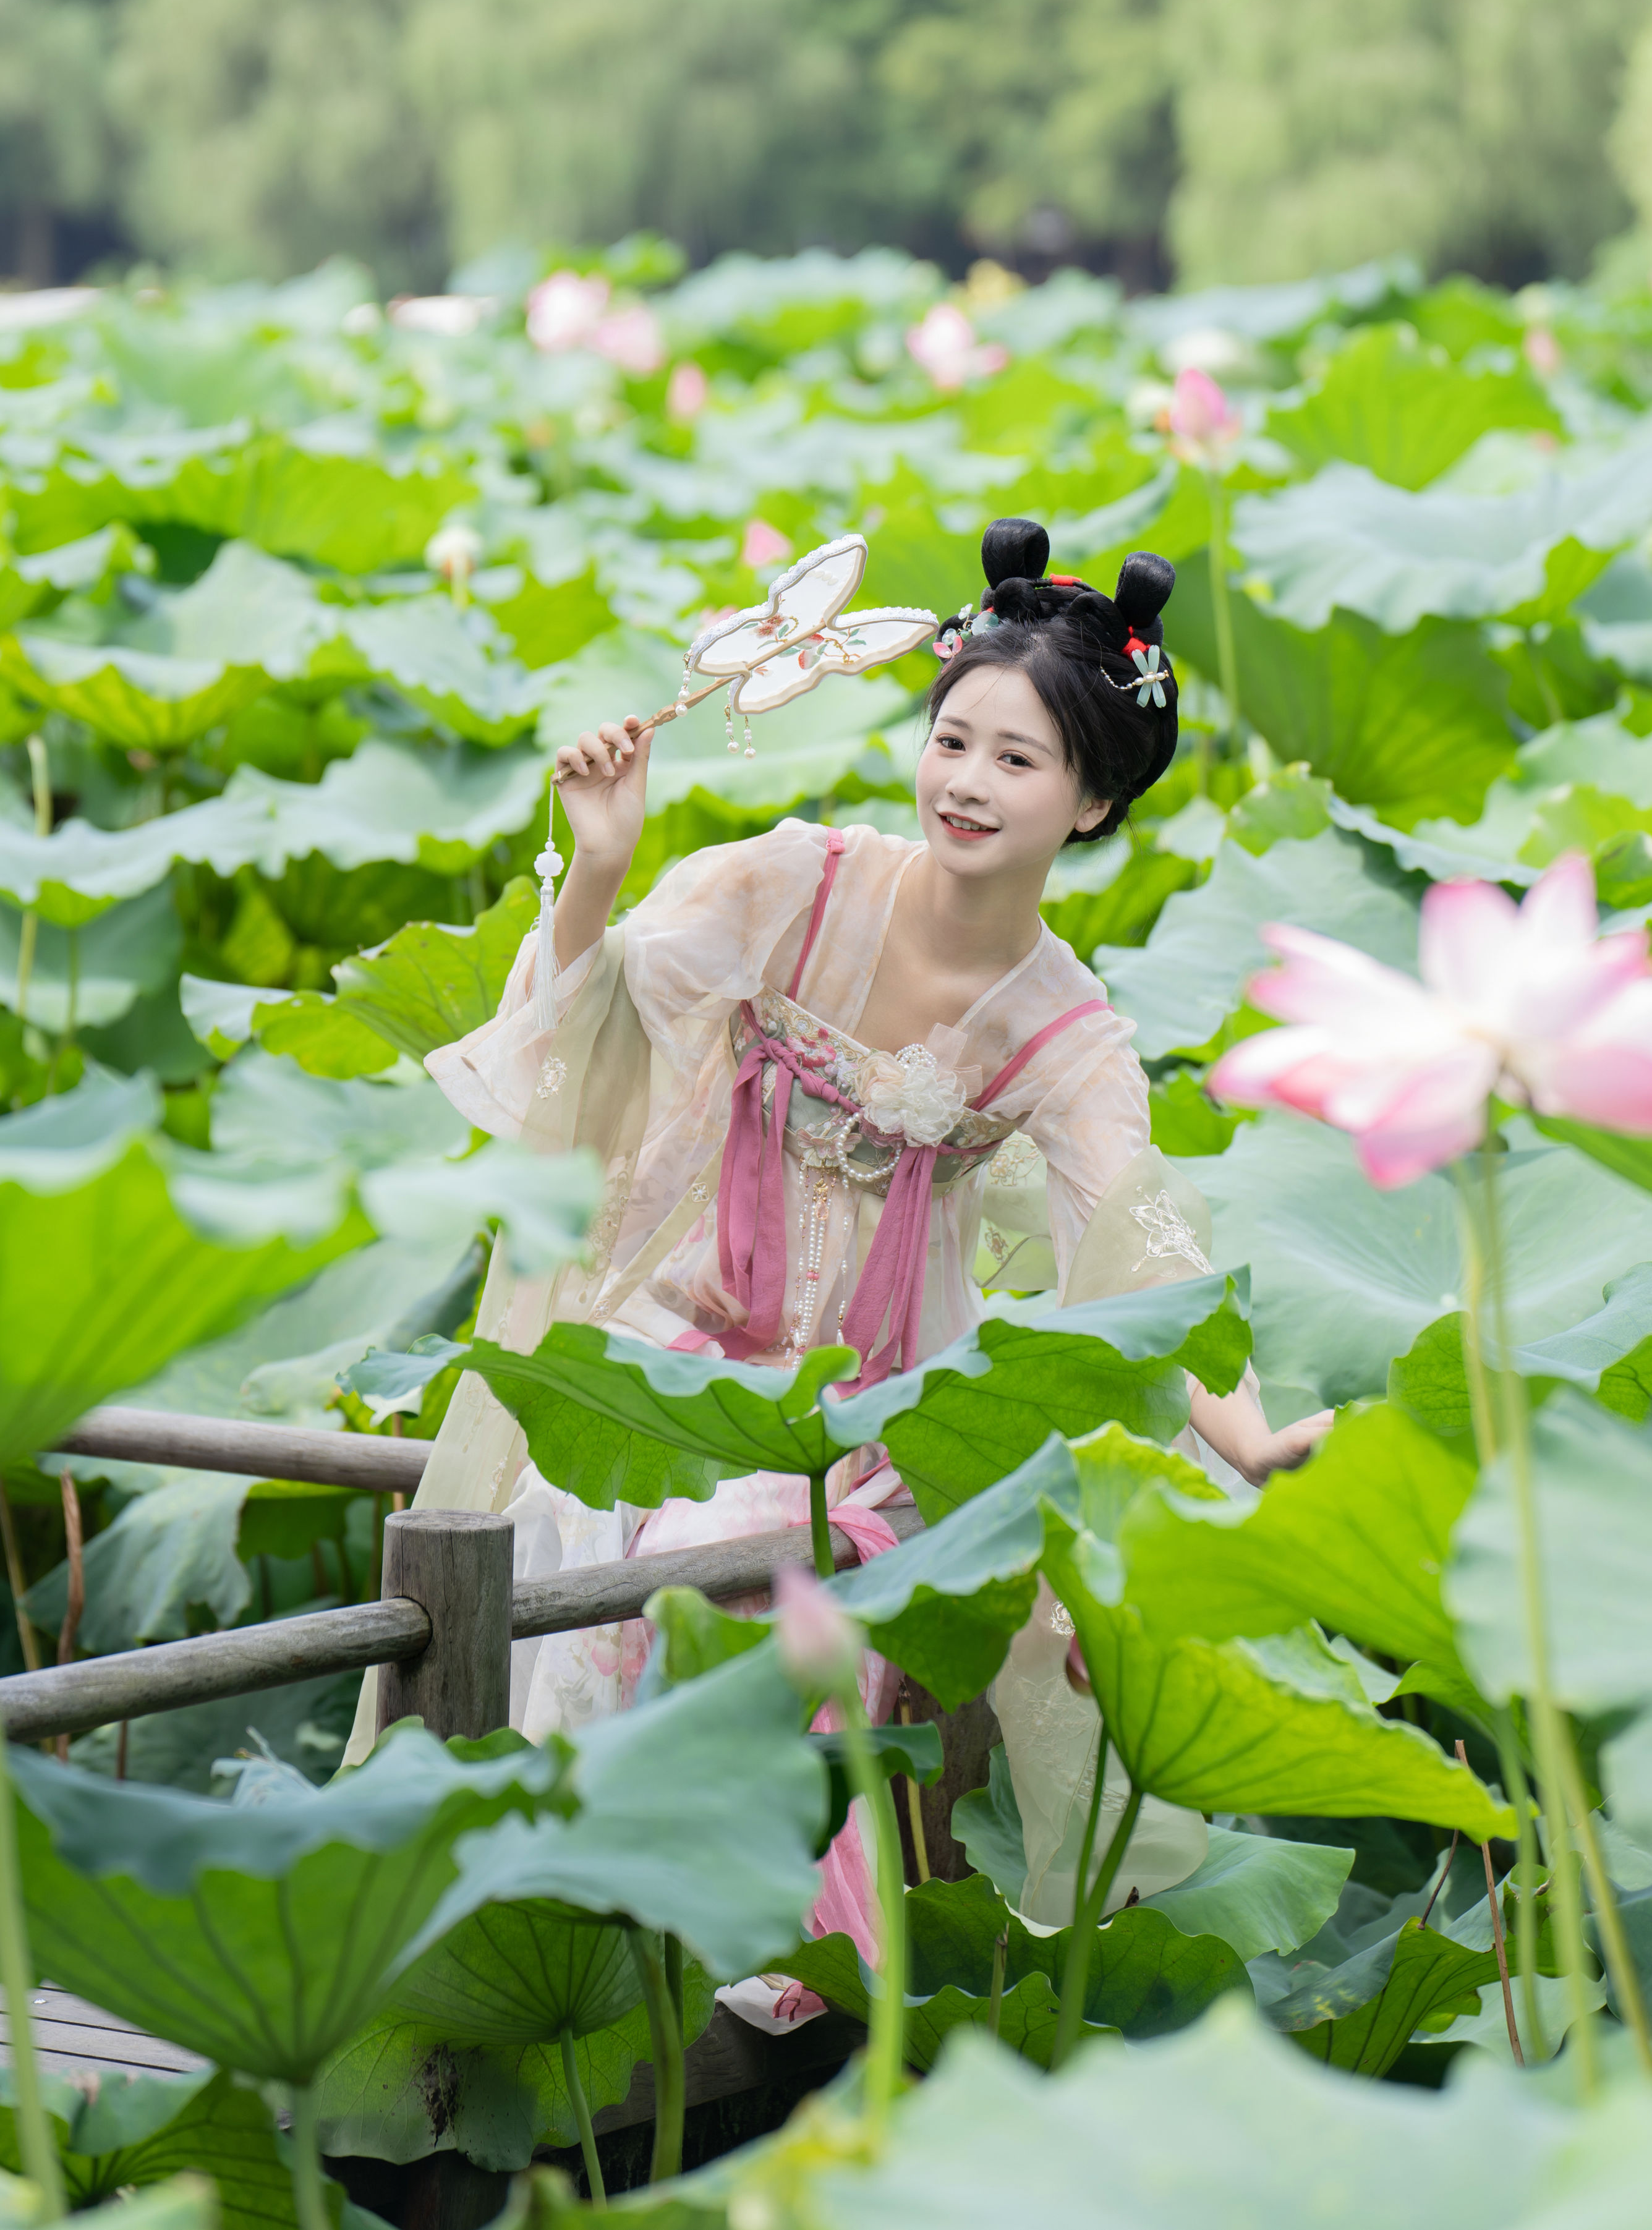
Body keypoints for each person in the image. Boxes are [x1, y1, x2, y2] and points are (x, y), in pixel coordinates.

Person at [342, 519, 1332, 1941]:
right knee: (562, 1512)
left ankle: (715, 1938)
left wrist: (1247, 1441)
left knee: (756, 1549)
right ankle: (519, 1923)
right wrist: (602, 867)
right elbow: (595, 1027)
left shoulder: (1068, 1034)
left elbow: (1140, 1259)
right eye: (955, 740)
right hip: (677, 1345)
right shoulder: (794, 882)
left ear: (1094, 805)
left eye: (1018, 760)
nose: (968, 782)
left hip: (875, 1412)